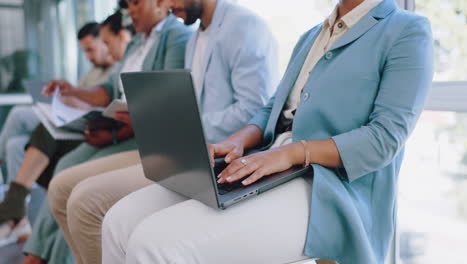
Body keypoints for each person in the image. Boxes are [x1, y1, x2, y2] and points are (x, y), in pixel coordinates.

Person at [101, 0, 434, 263]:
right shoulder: (312, 37)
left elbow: (384, 139)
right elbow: (271, 109)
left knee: (154, 244)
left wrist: (291, 152)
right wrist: (234, 142)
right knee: (117, 223)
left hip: (328, 186)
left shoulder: (407, 30)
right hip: (266, 164)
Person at [47, 0, 279, 263]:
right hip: (178, 147)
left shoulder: (244, 27)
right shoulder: (196, 35)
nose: (166, 5)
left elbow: (253, 112)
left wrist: (182, 125)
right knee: (63, 188)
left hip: (212, 155)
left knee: (85, 202)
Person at [22, 1, 193, 263]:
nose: (130, 11)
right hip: (119, 126)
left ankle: (43, 257)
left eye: (136, 3)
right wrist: (73, 90)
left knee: (76, 186)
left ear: (159, 3)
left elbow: (167, 99)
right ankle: (40, 254)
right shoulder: (136, 43)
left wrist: (114, 135)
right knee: (65, 166)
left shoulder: (176, 36)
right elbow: (109, 89)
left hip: (139, 135)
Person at [0, 21, 116, 239]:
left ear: (106, 42)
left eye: (91, 49)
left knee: (17, 114)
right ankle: (19, 216)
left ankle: (12, 203)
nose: (88, 56)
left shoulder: (114, 74)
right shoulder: (92, 73)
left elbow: (100, 104)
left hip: (86, 129)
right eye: (84, 51)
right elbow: (76, 97)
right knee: (14, 144)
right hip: (68, 121)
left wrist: (75, 102)